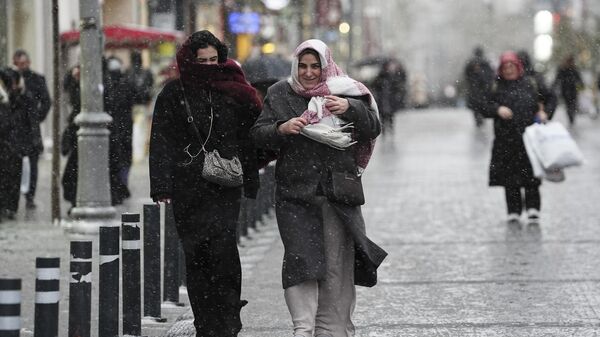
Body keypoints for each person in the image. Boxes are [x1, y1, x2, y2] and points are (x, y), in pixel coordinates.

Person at [250, 39, 387, 337]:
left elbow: (373, 127)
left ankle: (332, 330)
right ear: (294, 65)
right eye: (303, 66)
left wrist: (349, 108)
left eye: (315, 66)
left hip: (338, 193)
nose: (309, 73)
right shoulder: (280, 93)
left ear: (326, 65)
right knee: (301, 260)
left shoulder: (347, 90)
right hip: (295, 193)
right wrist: (280, 129)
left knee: (337, 268)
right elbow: (258, 136)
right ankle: (303, 327)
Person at [149, 30, 262, 336]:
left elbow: (251, 134)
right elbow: (161, 140)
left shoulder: (234, 89)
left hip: (224, 186)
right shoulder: (174, 93)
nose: (209, 66)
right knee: (196, 256)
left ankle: (227, 315)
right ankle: (205, 321)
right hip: (188, 186)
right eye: (203, 61)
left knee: (223, 251)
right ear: (190, 60)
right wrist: (161, 185)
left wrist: (252, 171)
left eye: (214, 60)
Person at [476, 51, 551, 224]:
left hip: (530, 138)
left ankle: (533, 209)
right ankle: (514, 210)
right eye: (505, 67)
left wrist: (544, 112)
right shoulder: (496, 86)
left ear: (518, 67)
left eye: (511, 66)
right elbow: (482, 105)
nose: (509, 70)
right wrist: (497, 110)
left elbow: (549, 98)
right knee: (510, 177)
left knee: (531, 175)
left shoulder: (531, 83)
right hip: (505, 139)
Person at [12, 49, 51, 209]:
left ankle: (29, 196)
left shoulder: (37, 79)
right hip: (14, 128)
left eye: (24, 63)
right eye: (19, 64)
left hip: (31, 129)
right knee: (15, 164)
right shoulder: (10, 79)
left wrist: (37, 117)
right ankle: (13, 198)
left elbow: (46, 101)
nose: (22, 67)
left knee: (33, 164)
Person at [0, 67, 35, 220]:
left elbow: (30, 121)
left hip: (14, 145)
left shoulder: (21, 98)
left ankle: (10, 207)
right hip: (9, 144)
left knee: (12, 178)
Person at [517, 50, 557, 119]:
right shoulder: (505, 80)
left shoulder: (535, 79)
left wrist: (546, 112)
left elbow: (551, 97)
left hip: (533, 124)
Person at [371, 58, 407, 134]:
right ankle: (385, 129)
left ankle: (390, 129)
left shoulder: (392, 76)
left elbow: (397, 86)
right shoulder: (381, 76)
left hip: (389, 99)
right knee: (384, 116)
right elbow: (375, 86)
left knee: (390, 115)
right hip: (383, 99)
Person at [464, 46, 495, 127]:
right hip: (483, 88)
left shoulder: (471, 63)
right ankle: (480, 116)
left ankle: (478, 117)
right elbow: (491, 74)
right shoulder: (485, 62)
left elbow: (466, 75)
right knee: (481, 104)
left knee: (475, 105)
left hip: (475, 88)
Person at [554, 54, 583, 125]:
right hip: (565, 91)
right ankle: (570, 116)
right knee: (569, 105)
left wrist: (580, 87)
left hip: (572, 91)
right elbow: (557, 79)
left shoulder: (574, 69)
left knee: (572, 105)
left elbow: (579, 80)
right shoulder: (562, 69)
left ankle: (571, 117)